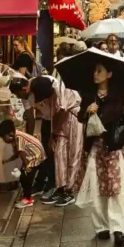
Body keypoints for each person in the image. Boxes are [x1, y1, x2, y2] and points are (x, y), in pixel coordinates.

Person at [77, 62, 124, 247]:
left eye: (100, 71)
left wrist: (112, 118)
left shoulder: (118, 96)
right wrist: (87, 111)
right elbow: (80, 117)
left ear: (109, 74)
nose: (95, 74)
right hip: (94, 148)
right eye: (94, 70)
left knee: (115, 188)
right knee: (96, 186)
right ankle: (101, 226)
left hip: (112, 148)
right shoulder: (89, 95)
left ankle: (118, 229)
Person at [31, 75, 85, 207]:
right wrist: (53, 135)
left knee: (73, 156)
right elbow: (53, 116)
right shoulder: (50, 94)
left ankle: (70, 191)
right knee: (59, 156)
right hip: (60, 125)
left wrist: (53, 134)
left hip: (73, 120)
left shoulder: (62, 89)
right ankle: (61, 188)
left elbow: (60, 111)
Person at [8, 75, 58, 201]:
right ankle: (40, 182)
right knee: (42, 152)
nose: (18, 97)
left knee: (51, 153)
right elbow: (30, 117)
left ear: (24, 89)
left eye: (17, 94)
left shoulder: (43, 84)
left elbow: (57, 107)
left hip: (58, 118)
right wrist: (28, 140)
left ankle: (52, 184)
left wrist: (53, 133)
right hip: (46, 119)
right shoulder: (25, 96)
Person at [0, 119, 46, 208]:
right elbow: (17, 153)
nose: (4, 140)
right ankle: (27, 197)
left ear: (10, 134)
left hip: (36, 157)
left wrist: (26, 167)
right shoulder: (15, 138)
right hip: (33, 156)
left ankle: (27, 199)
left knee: (25, 177)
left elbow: (22, 154)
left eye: (4, 138)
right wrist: (8, 160)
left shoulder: (18, 137)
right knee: (24, 177)